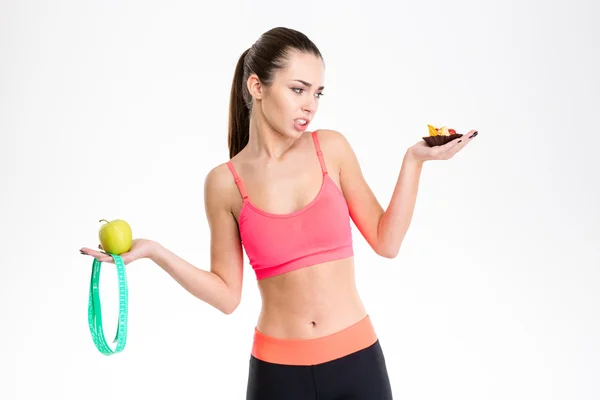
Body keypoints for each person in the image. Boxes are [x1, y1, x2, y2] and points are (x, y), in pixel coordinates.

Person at [80, 26, 478, 399]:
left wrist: (414, 162)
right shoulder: (224, 183)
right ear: (257, 86)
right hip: (277, 374)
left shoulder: (331, 149)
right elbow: (226, 296)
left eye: (318, 93)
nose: (310, 105)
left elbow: (387, 242)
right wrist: (153, 250)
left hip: (357, 362)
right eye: (298, 89)